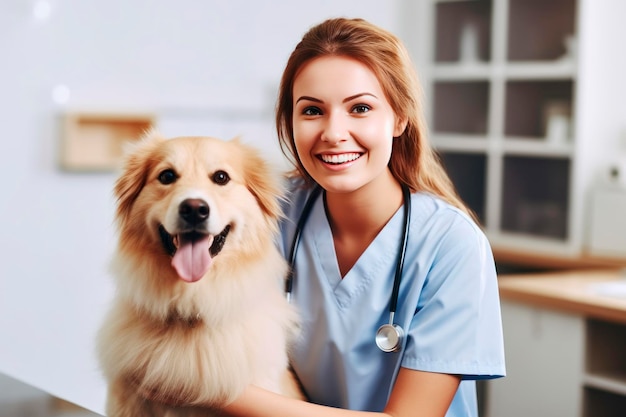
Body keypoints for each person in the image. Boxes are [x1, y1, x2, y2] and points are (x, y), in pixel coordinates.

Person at [150, 17, 505, 417]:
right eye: (313, 111)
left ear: (400, 118)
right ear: (291, 122)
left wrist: (211, 389)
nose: (334, 132)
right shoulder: (268, 215)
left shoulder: (452, 245)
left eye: (360, 108)